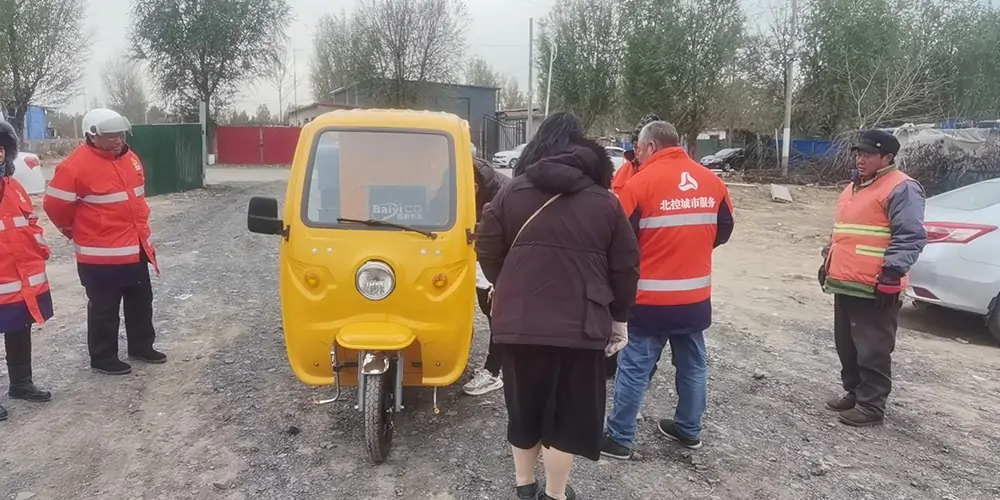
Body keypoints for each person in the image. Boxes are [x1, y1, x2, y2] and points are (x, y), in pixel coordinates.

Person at [477, 112, 640, 500]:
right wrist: (619, 318)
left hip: (518, 323)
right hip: (582, 327)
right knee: (567, 419)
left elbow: (486, 246)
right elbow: (626, 266)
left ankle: (523, 487)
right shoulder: (606, 202)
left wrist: (509, 284)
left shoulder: (510, 192)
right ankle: (555, 494)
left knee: (524, 408)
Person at [602, 121, 734, 459]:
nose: (638, 154)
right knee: (693, 365)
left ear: (650, 147)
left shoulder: (639, 184)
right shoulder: (712, 181)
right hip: (694, 298)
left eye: (639, 148)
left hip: (648, 299)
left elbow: (618, 244)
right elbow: (724, 229)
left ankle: (619, 438)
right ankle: (689, 430)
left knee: (635, 366)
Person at [43, 108, 165, 376]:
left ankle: (142, 345)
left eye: (120, 134)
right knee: (104, 309)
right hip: (100, 255)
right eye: (111, 136)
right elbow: (54, 205)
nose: (118, 140)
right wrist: (73, 230)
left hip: (135, 248)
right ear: (92, 136)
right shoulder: (74, 167)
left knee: (141, 301)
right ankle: (102, 356)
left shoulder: (130, 159)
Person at [819, 130, 926, 427]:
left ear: (887, 158)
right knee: (847, 344)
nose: (860, 158)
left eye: (868, 154)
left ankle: (871, 406)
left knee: (873, 347)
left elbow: (910, 235)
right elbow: (844, 232)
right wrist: (828, 260)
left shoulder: (901, 188)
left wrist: (892, 273)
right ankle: (854, 392)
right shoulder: (854, 187)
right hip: (846, 279)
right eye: (859, 153)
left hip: (876, 284)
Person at [0, 120, 54, 422]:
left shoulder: (14, 187)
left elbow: (29, 222)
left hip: (16, 279)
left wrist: (39, 245)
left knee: (19, 329)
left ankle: (21, 384)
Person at [463, 149, 510, 397]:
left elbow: (507, 239)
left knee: (493, 310)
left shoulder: (501, 194)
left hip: (499, 254)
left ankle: (494, 372)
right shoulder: (457, 172)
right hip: (477, 249)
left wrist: (499, 279)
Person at [610, 113, 661, 196]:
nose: (637, 151)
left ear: (653, 146)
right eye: (634, 146)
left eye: (639, 146)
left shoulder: (671, 173)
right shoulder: (624, 171)